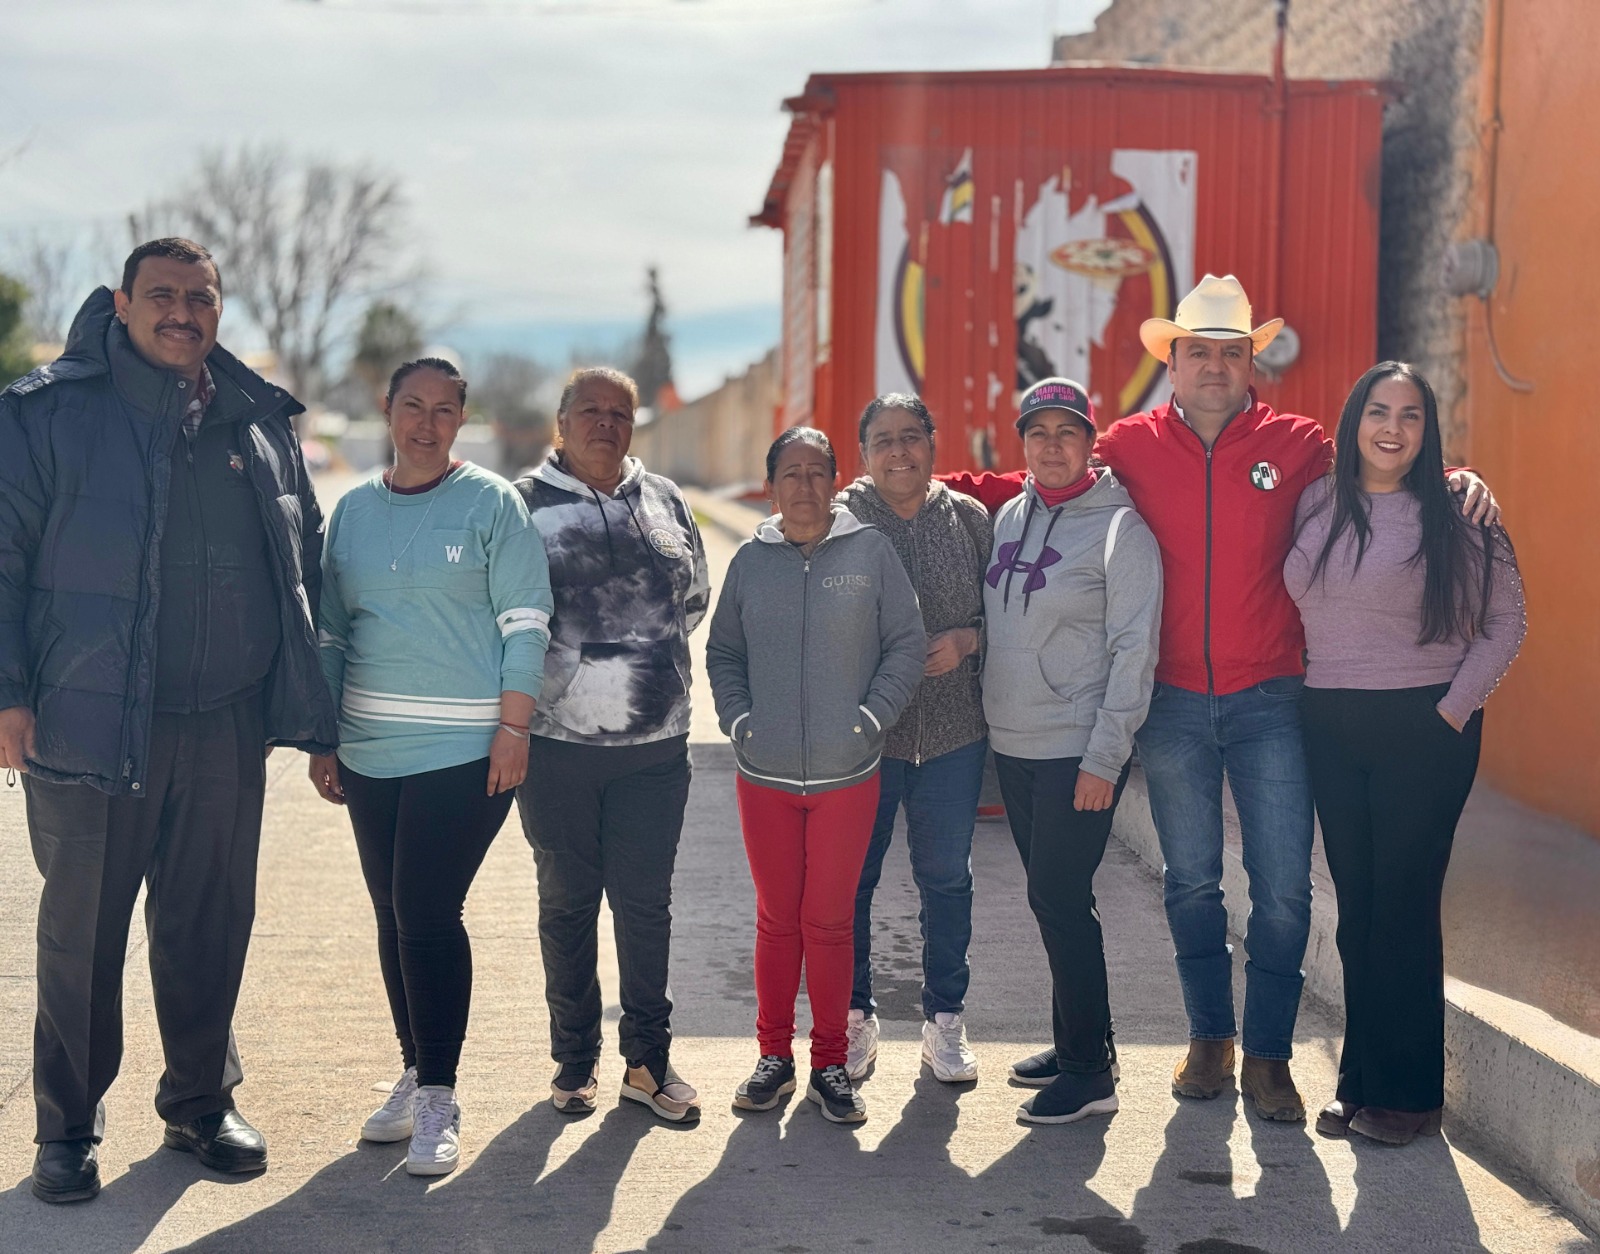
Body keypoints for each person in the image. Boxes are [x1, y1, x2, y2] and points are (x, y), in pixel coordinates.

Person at [942, 274, 1497, 1121]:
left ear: (1250, 363)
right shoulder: (1129, 444)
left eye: (1230, 353)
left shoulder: (1297, 443)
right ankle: (1210, 1039)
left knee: (1283, 889)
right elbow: (1027, 478)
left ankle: (1269, 1056)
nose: (1213, 366)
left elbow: (1383, 461)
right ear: (1172, 362)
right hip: (1169, 705)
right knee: (1193, 881)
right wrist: (915, 488)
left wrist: (1458, 476)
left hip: (1273, 700)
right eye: (1197, 351)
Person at [0, 239, 338, 1203]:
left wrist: (310, 706)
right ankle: (67, 1128)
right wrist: (6, 689)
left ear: (219, 309)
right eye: (161, 295)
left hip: (223, 722)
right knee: (82, 937)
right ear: (121, 303)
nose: (182, 312)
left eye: (200, 297)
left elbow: (305, 564)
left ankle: (199, 1102)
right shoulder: (47, 413)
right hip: (89, 719)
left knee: (210, 922)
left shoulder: (257, 418)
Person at [308, 358, 552, 1176]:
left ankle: (441, 1094)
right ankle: (416, 1071)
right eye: (413, 405)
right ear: (387, 410)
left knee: (426, 909)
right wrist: (324, 735)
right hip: (368, 748)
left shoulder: (492, 503)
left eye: (444, 410)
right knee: (391, 911)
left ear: (461, 420)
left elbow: (526, 621)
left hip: (464, 748)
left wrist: (514, 726)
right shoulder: (353, 511)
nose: (426, 422)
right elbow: (333, 630)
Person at [1286, 363, 1524, 1146]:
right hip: (1330, 721)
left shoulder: (1460, 511)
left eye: (1410, 414)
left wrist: (1451, 711)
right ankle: (1361, 1080)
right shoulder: (1317, 502)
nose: (1392, 427)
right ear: (1353, 421)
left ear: (1428, 429)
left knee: (1403, 909)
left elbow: (1507, 623)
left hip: (1424, 727)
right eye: (1378, 411)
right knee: (1358, 911)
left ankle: (1411, 1096)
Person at [706, 427, 925, 1124]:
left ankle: (831, 1063)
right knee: (777, 921)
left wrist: (871, 718)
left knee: (828, 923)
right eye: (791, 473)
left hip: (847, 774)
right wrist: (741, 721)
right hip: (764, 774)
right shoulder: (751, 561)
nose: (804, 485)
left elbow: (907, 643)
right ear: (771, 485)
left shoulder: (871, 552)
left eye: (817, 472)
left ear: (836, 482)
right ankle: (774, 1056)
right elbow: (723, 652)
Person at [512, 367, 710, 1122]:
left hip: (655, 748)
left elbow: (693, 599)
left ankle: (647, 1063)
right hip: (556, 750)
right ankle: (573, 1063)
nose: (605, 423)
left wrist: (635, 666)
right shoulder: (522, 506)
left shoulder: (664, 498)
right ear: (561, 424)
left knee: (645, 907)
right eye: (590, 410)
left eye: (620, 413)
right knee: (567, 905)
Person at [982, 379, 1162, 1124]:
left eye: (1067, 432)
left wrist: (1105, 758)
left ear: (1091, 443)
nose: (1052, 446)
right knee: (1057, 900)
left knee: (1058, 900)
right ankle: (1081, 1044)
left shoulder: (1122, 530)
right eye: (1038, 433)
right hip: (1014, 741)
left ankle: (1089, 1076)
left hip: (1075, 750)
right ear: (1022, 443)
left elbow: (1135, 652)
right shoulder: (1009, 516)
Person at [835, 394, 992, 1084]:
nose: (899, 451)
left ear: (933, 442)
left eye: (911, 437)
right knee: (851, 882)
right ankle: (852, 1017)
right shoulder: (841, 521)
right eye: (883, 440)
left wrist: (968, 640)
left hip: (954, 736)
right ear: (863, 453)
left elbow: (1009, 614)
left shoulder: (970, 519)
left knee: (947, 879)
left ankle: (945, 1021)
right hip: (865, 740)